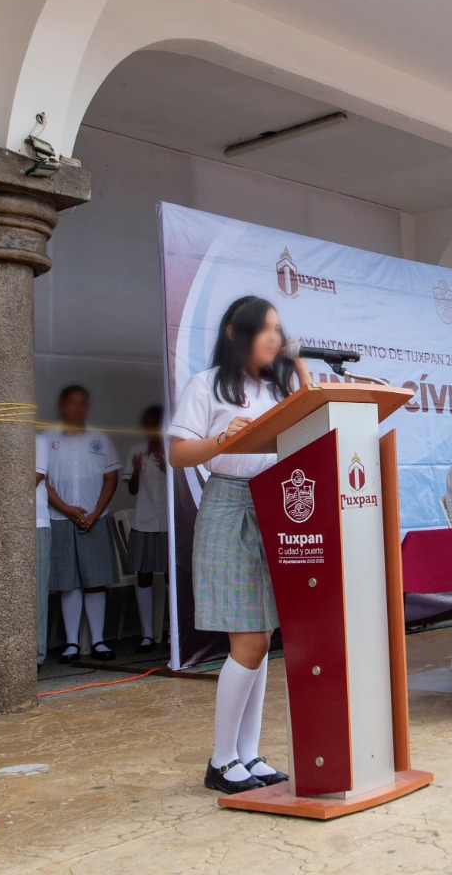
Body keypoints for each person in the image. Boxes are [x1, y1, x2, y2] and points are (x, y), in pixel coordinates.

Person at [167, 295, 307, 793]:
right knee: (248, 638)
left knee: (261, 635)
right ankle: (221, 760)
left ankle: (248, 755)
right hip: (230, 504)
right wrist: (222, 441)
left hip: (275, 502)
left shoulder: (277, 387)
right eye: (265, 329)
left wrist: (301, 372)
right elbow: (178, 453)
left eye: (278, 329)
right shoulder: (206, 384)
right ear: (235, 332)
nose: (275, 337)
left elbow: (312, 424)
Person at [43, 385, 122, 664]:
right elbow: (42, 480)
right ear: (62, 406)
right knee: (69, 583)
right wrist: (67, 509)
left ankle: (98, 640)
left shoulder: (100, 438)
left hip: (94, 518)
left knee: (95, 581)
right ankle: (72, 642)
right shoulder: (47, 438)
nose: (77, 408)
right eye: (71, 402)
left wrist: (95, 513)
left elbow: (111, 478)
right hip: (60, 518)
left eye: (82, 403)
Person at [125, 404, 169, 652]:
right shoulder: (137, 451)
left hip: (168, 523)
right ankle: (147, 635)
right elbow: (131, 490)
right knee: (144, 575)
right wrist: (135, 470)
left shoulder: (173, 450)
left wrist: (166, 466)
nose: (152, 429)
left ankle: (173, 632)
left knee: (171, 576)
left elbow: (181, 486)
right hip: (143, 521)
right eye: (148, 424)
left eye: (156, 424)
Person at [34, 433, 52, 666]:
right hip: (0, 525)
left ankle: (36, 655)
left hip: (35, 522)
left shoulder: (38, 441)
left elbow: (35, 477)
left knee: (37, 590)